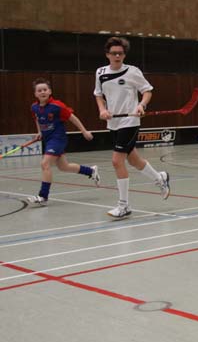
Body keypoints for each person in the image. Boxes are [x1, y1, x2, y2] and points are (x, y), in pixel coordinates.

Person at [94, 37, 170, 219]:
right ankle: (160, 178)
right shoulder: (100, 72)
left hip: (130, 121)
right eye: (114, 53)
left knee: (116, 161)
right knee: (134, 160)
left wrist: (141, 105)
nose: (117, 56)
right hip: (113, 123)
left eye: (120, 53)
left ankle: (124, 205)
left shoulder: (132, 71)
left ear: (124, 55)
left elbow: (147, 90)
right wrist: (102, 109)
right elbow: (98, 94)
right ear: (107, 54)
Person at [28, 78, 99, 206]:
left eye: (45, 89)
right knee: (63, 167)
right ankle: (90, 171)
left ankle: (43, 196)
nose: (42, 92)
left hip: (58, 139)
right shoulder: (34, 107)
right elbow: (37, 119)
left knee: (45, 164)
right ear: (35, 94)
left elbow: (73, 118)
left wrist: (84, 131)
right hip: (48, 140)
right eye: (39, 90)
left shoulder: (57, 106)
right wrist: (39, 132)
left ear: (50, 91)